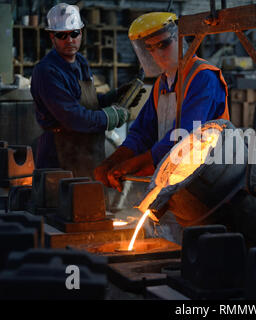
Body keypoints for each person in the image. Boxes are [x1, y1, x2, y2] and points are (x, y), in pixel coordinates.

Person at [94, 12, 230, 192]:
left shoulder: (203, 77)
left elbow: (183, 137)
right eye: (150, 48)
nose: (158, 54)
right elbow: (142, 132)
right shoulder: (162, 83)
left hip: (211, 179)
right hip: (177, 178)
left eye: (163, 44)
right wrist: (113, 161)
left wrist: (134, 164)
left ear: (179, 39)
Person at [31, 3, 142, 178]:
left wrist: (113, 96)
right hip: (59, 156)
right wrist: (108, 117)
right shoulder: (47, 71)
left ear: (81, 32)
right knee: (61, 203)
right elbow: (73, 117)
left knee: (92, 202)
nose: (69, 40)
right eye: (62, 35)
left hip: (88, 151)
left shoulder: (81, 61)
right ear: (52, 36)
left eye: (74, 33)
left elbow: (85, 101)